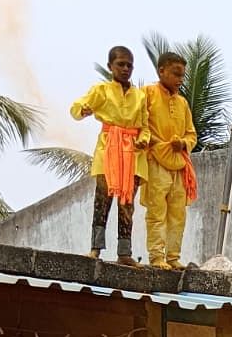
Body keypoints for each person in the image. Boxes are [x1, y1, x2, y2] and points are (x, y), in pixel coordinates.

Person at [70, 45, 149, 265]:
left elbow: (145, 126)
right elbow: (76, 107)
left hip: (132, 154)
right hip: (109, 150)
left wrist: (143, 138)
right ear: (110, 66)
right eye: (121, 64)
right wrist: (83, 110)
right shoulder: (101, 91)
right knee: (102, 201)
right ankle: (95, 248)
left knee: (127, 205)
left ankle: (125, 253)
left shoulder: (140, 96)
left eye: (129, 65)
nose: (125, 69)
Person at [142, 52, 198, 271]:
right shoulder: (147, 94)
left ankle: (173, 257)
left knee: (178, 214)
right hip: (155, 161)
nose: (179, 80)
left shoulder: (182, 103)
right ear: (161, 71)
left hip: (179, 164)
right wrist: (158, 143)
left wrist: (182, 143)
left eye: (182, 76)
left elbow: (192, 134)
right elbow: (140, 125)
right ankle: (157, 256)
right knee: (157, 212)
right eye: (176, 74)